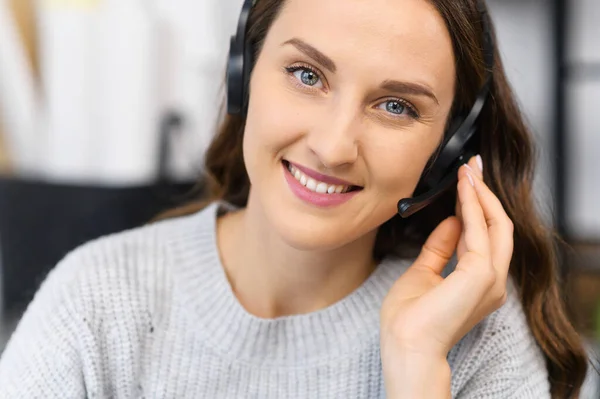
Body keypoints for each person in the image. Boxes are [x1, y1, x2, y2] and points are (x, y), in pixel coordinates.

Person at [0, 0, 590, 397]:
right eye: (308, 75)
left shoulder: (470, 328)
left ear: (445, 151)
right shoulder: (94, 302)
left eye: (396, 106)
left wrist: (416, 371)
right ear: (243, 75)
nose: (333, 148)